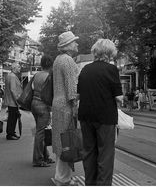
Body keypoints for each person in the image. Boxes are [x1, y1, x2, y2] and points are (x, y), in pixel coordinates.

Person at [78, 39, 123, 186]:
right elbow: (119, 98)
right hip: (105, 117)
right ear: (109, 53)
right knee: (105, 155)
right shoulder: (112, 69)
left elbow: (79, 94)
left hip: (86, 116)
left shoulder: (85, 69)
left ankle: (90, 183)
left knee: (89, 153)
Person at [51, 31, 79, 185]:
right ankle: (63, 177)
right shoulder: (68, 60)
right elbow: (71, 88)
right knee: (67, 141)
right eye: (74, 41)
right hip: (66, 106)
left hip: (57, 104)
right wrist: (75, 105)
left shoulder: (57, 60)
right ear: (68, 45)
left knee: (61, 141)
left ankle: (62, 174)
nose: (77, 44)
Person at [31, 55, 55, 167]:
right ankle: (38, 159)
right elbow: (49, 95)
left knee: (41, 131)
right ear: (51, 64)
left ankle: (45, 156)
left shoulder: (37, 75)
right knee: (40, 133)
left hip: (34, 104)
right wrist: (50, 110)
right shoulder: (49, 76)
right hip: (43, 106)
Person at [4, 62, 23, 140]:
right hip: (13, 101)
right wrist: (17, 101)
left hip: (11, 101)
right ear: (14, 68)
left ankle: (11, 132)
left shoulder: (10, 75)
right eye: (18, 67)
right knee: (12, 118)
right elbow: (13, 90)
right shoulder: (12, 76)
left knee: (13, 117)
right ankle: (10, 134)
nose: (20, 68)